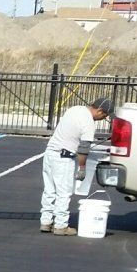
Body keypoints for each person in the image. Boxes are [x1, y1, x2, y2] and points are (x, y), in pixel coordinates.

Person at [41, 96, 112, 235]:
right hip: (64, 158)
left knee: (49, 190)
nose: (104, 118)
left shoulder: (74, 109)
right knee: (64, 192)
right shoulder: (89, 123)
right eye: (105, 115)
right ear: (99, 110)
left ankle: (46, 221)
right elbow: (84, 148)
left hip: (50, 153)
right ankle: (61, 225)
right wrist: (82, 168)